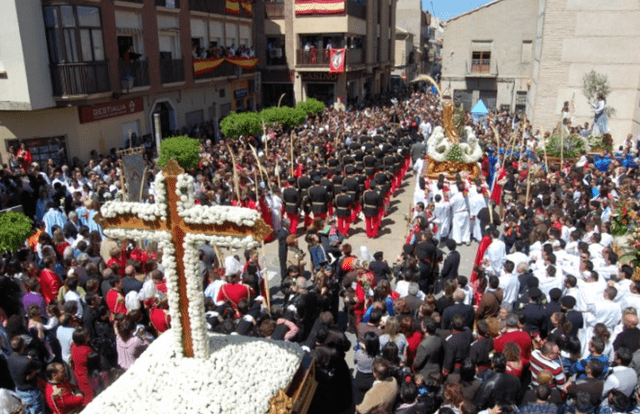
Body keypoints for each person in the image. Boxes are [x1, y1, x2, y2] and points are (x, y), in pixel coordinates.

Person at [7, 336, 44, 414]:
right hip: (30, 392)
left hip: (19, 390)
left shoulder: (10, 358)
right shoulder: (27, 362)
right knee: (37, 410)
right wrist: (30, 360)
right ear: (22, 345)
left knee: (26, 410)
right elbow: (39, 365)